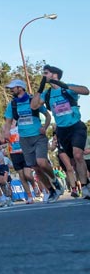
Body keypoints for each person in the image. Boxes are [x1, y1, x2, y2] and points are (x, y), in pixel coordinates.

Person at [35, 65, 89, 199]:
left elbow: (86, 91)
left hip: (76, 126)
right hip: (62, 130)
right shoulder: (47, 93)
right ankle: (84, 183)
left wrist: (64, 86)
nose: (43, 75)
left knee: (78, 155)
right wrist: (40, 89)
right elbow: (34, 106)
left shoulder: (67, 88)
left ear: (54, 74)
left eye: (46, 73)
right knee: (73, 161)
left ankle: (85, 187)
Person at [1, 80, 57, 202]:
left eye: (13, 87)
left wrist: (45, 127)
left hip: (38, 136)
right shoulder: (13, 104)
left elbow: (47, 115)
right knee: (36, 168)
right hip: (24, 138)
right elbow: (8, 121)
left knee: (42, 162)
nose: (11, 90)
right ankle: (51, 190)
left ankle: (54, 180)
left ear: (20, 88)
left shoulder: (33, 100)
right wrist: (7, 132)